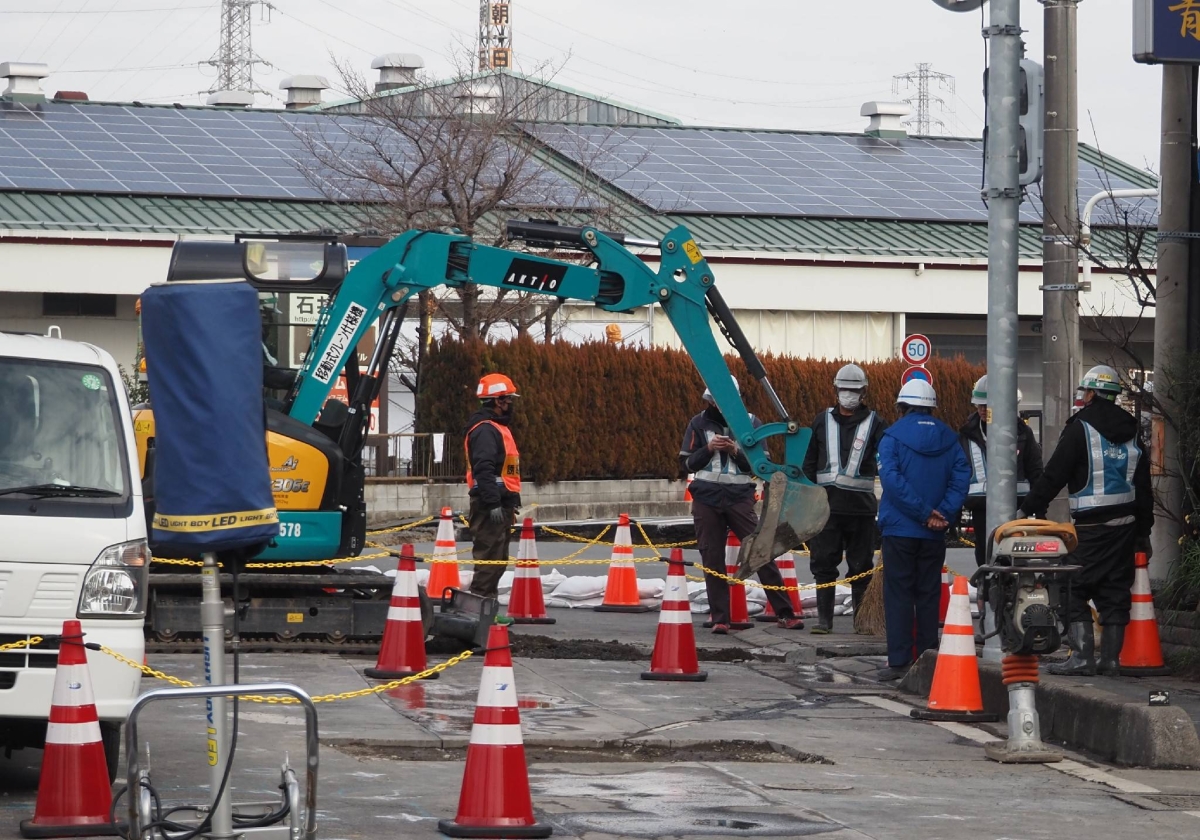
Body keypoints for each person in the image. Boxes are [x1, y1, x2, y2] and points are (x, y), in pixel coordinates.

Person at [1018, 365, 1153, 676]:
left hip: (1090, 529)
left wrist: (1030, 508)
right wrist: (1143, 532)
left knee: (1069, 587)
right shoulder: (1132, 430)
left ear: (1091, 393)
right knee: (1115, 591)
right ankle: (1110, 660)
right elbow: (1143, 487)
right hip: (1126, 527)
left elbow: (1055, 473)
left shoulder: (1081, 427)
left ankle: (1081, 658)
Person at [680, 377, 804, 633]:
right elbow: (686, 464)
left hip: (739, 497)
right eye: (714, 399)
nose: (718, 403)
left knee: (759, 551)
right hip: (706, 497)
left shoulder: (752, 423)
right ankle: (720, 619)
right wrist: (709, 449)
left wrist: (736, 451)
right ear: (709, 399)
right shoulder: (698, 422)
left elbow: (761, 467)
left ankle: (784, 613)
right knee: (711, 556)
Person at [876, 379, 970, 680]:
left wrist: (921, 513)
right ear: (932, 406)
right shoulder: (950, 439)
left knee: (899, 593)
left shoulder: (891, 438)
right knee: (929, 593)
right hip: (935, 532)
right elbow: (961, 479)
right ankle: (928, 657)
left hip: (900, 530)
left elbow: (892, 481)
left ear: (902, 407)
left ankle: (900, 660)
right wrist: (942, 513)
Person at [802, 363, 887, 634]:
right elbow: (809, 463)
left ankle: (861, 623)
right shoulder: (820, 420)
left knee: (860, 567)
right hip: (826, 509)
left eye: (854, 390)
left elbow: (885, 463)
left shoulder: (876, 423)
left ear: (863, 392)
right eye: (844, 389)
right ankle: (824, 622)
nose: (848, 394)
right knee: (823, 565)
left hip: (860, 510)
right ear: (836, 390)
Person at [960, 375, 1044, 566]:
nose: (982, 409)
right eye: (979, 405)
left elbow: (1035, 471)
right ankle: (988, 591)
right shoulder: (967, 434)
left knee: (1016, 558)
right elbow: (958, 473)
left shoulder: (1022, 433)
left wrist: (1038, 509)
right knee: (985, 557)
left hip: (1017, 509)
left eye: (987, 405)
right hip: (982, 508)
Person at [464, 373, 521, 600]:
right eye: (508, 400)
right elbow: (484, 469)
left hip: (497, 503)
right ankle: (480, 611)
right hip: (490, 505)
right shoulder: (486, 430)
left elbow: (500, 471)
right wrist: (494, 503)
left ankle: (487, 609)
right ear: (498, 400)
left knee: (496, 560)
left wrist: (508, 503)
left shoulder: (494, 428)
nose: (510, 405)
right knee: (489, 560)